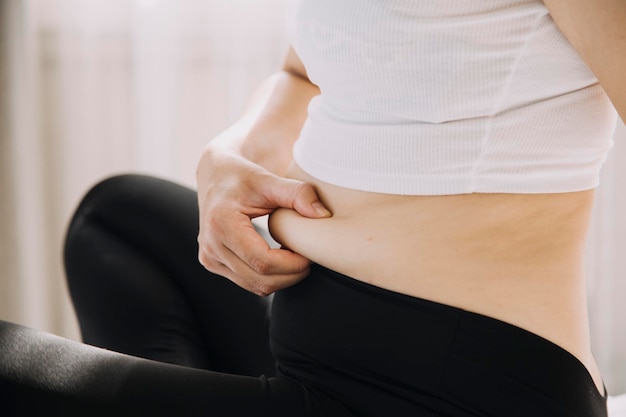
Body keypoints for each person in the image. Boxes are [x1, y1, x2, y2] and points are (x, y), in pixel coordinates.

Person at [1, 0, 625, 415]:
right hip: (314, 333)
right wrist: (230, 157)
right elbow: (306, 71)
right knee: (117, 220)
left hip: (443, 390)